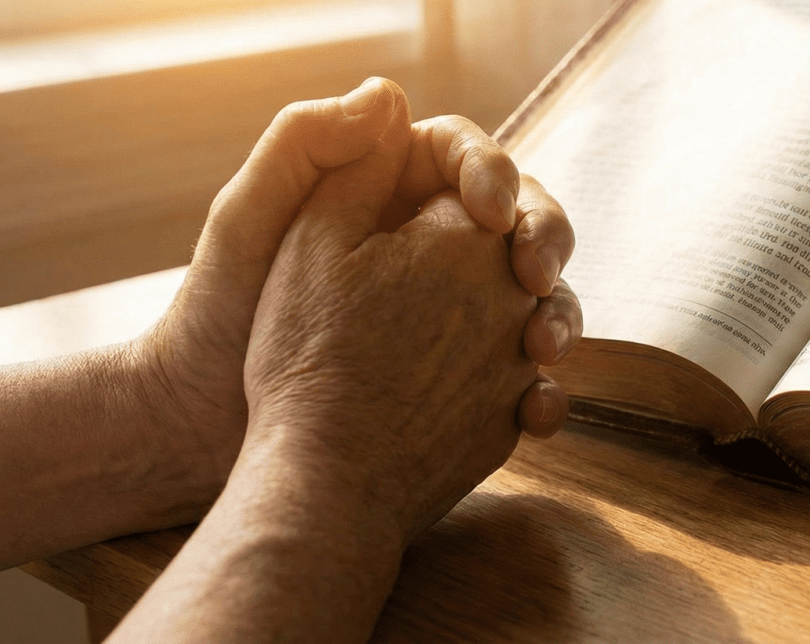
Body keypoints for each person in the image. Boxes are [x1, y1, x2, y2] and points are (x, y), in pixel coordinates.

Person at [0, 78, 583, 642]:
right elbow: (337, 448)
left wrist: (173, 402)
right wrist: (337, 456)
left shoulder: (194, 396)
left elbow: (198, 403)